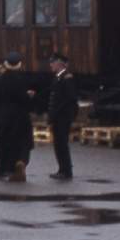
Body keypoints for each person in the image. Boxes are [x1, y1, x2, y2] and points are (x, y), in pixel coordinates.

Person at [0, 51, 34, 182]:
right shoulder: (21, 79)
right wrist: (29, 96)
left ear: (6, 64)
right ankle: (16, 165)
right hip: (19, 116)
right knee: (21, 141)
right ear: (19, 64)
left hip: (1, 115)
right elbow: (23, 99)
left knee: (1, 142)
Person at [46, 51, 78, 181]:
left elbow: (69, 100)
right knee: (58, 145)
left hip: (62, 118)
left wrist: (54, 116)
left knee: (62, 144)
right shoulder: (58, 77)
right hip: (59, 117)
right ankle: (62, 169)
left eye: (52, 63)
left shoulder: (66, 78)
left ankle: (66, 171)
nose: (51, 65)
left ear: (59, 64)